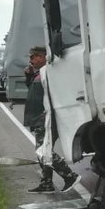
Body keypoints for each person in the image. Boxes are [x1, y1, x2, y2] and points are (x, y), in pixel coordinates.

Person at [23, 45, 78, 193]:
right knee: (45, 151)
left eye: (33, 56)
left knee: (44, 151)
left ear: (42, 56)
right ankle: (46, 183)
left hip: (45, 117)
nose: (30, 60)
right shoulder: (40, 73)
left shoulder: (50, 72)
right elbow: (35, 92)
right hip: (40, 117)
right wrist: (29, 76)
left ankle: (70, 176)